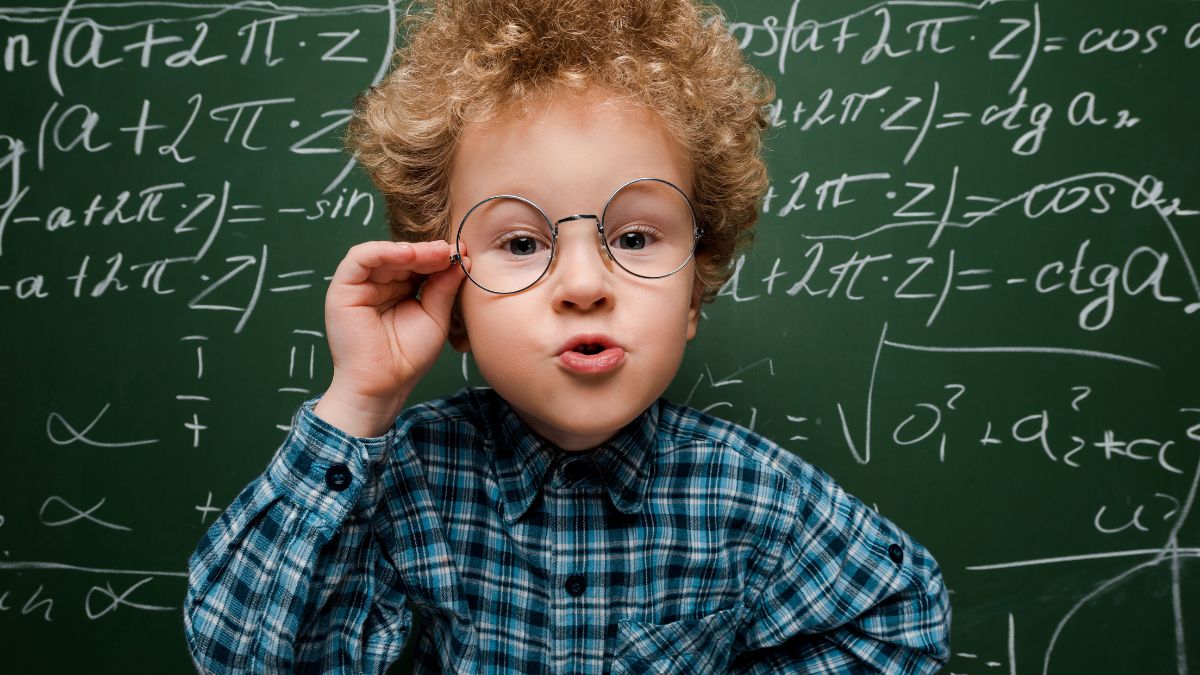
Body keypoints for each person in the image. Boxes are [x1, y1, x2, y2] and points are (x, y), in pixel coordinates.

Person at [183, 0, 952, 672]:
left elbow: (902, 612)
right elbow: (247, 653)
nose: (585, 285)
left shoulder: (748, 493)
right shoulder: (409, 478)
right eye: (521, 244)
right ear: (450, 289)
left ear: (696, 283)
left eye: (636, 237)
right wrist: (359, 399)